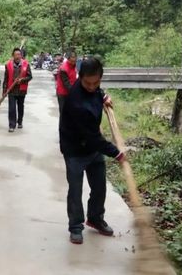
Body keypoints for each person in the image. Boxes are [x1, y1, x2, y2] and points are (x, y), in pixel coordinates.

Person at [60, 57, 126, 245]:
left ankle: (95, 218)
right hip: (74, 149)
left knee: (99, 186)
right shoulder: (75, 101)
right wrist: (117, 153)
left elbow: (96, 91)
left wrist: (103, 96)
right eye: (88, 83)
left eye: (96, 83)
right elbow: (93, 137)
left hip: (93, 148)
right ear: (80, 78)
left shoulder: (95, 87)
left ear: (100, 78)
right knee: (75, 190)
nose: (91, 86)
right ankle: (75, 227)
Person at [3, 48, 33, 132]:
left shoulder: (26, 64)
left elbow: (30, 76)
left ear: (21, 55)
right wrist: (4, 90)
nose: (18, 56)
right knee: (12, 108)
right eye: (16, 55)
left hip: (21, 90)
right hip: (11, 90)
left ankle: (20, 121)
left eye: (19, 55)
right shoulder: (8, 65)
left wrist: (22, 80)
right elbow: (6, 78)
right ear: (13, 56)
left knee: (20, 107)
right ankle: (12, 125)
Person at [56, 50, 78, 130]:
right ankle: (62, 131)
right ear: (68, 59)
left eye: (75, 61)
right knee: (63, 113)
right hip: (62, 93)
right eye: (72, 61)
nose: (73, 62)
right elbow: (67, 84)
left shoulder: (74, 66)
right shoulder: (63, 69)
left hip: (70, 93)